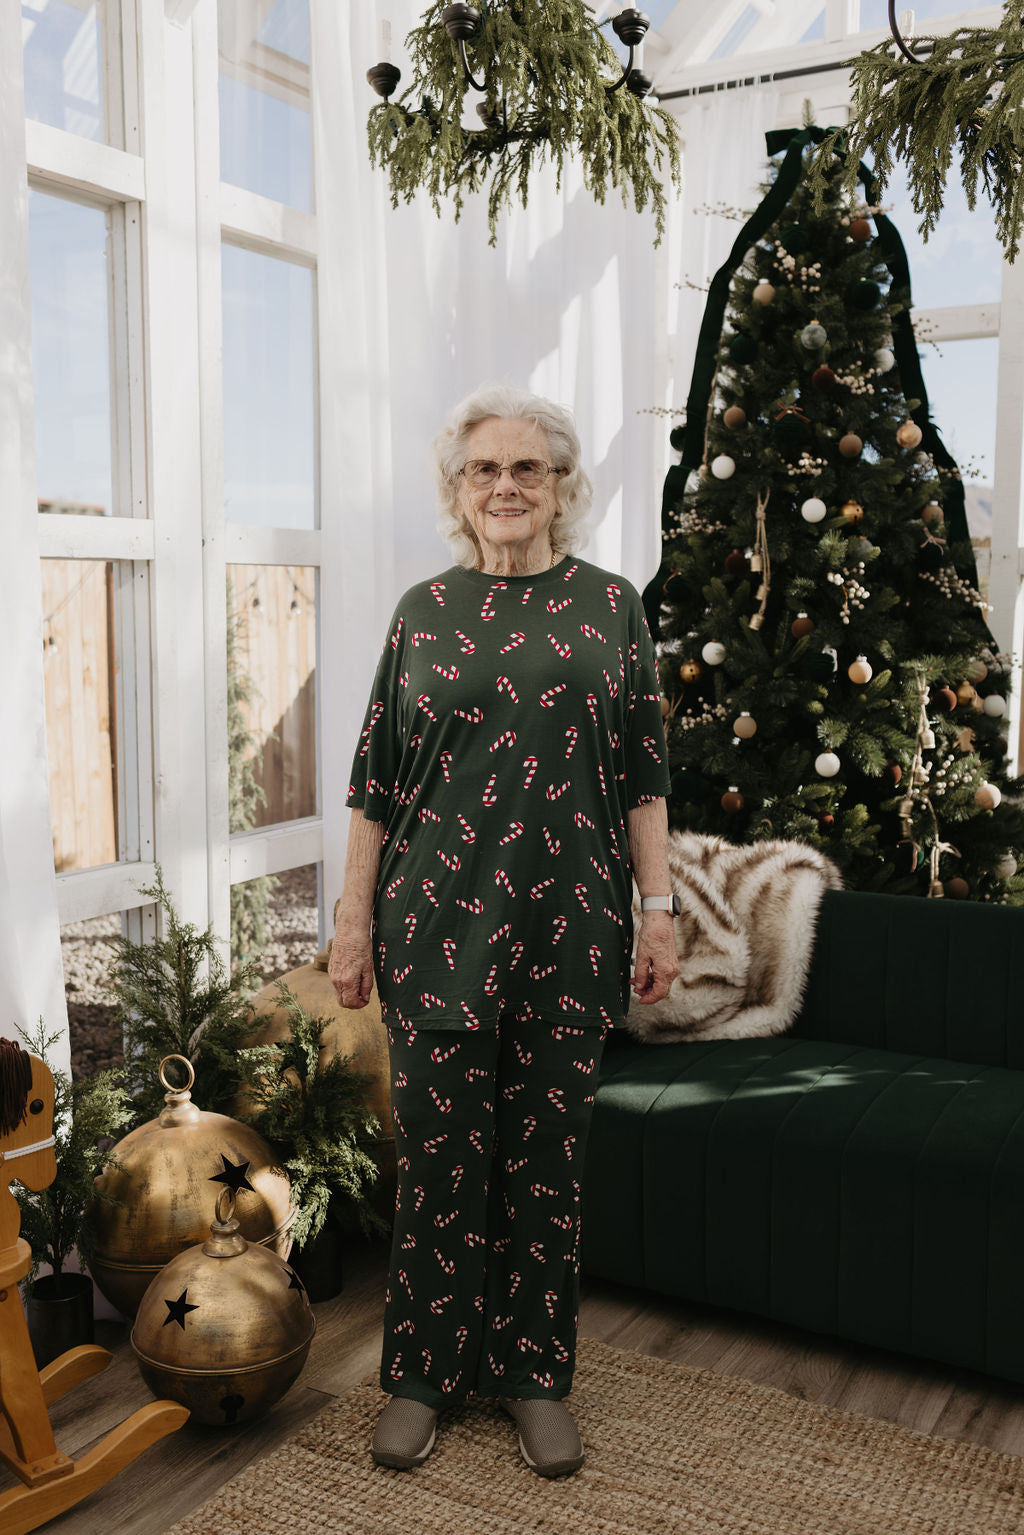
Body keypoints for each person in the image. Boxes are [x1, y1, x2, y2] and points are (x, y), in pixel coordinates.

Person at [329, 383, 678, 1479]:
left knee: (546, 1161)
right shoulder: (421, 612)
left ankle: (533, 1373)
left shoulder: (610, 606)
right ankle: (423, 1375)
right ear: (457, 488)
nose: (507, 486)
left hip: (570, 921)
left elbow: (643, 778)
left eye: (529, 468)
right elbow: (375, 782)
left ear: (562, 486)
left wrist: (658, 909)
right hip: (433, 921)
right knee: (437, 1159)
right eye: (485, 468)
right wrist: (349, 918)